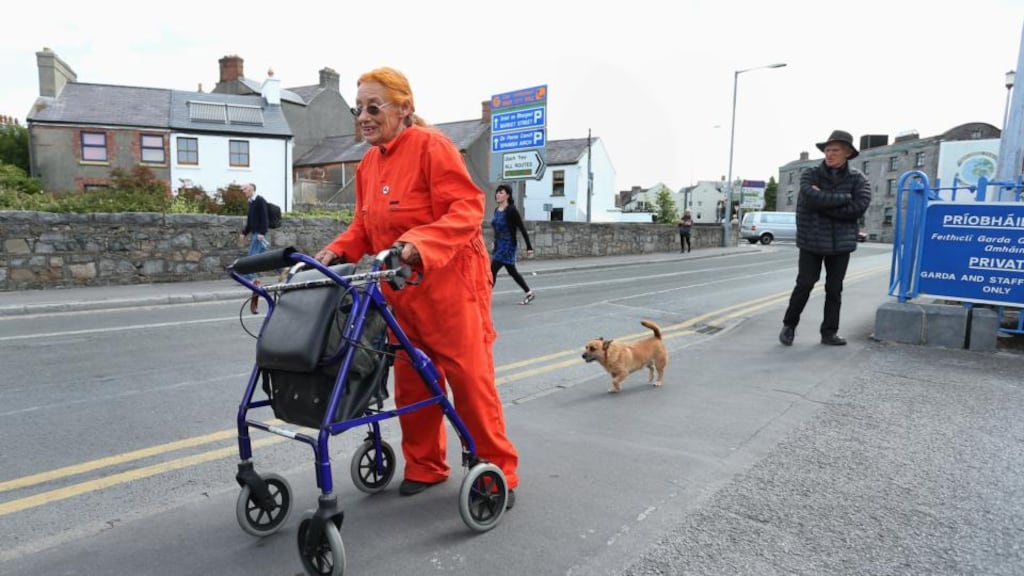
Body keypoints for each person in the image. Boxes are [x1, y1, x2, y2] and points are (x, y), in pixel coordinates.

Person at [313, 67, 519, 508]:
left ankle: (498, 471)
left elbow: (466, 210)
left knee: (470, 381)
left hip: (450, 284)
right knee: (413, 381)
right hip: (400, 287)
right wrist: (332, 253)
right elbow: (364, 228)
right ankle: (426, 466)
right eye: (359, 109)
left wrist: (415, 244)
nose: (364, 117)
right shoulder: (369, 162)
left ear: (404, 108)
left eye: (374, 107)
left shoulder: (432, 147)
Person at [779, 130, 872, 347]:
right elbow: (810, 198)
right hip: (811, 241)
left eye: (835, 150)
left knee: (834, 288)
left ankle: (829, 333)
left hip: (841, 244)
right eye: (827, 150)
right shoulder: (810, 174)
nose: (829, 154)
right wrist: (843, 199)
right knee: (805, 284)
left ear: (847, 153)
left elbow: (857, 209)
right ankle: (789, 325)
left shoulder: (859, 179)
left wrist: (824, 204)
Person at [491, 184, 536, 304]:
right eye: (497, 192)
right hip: (499, 243)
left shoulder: (511, 210)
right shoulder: (496, 210)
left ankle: (484, 296)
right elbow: (496, 228)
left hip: (508, 244)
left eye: (501, 192)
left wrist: (529, 247)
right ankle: (529, 293)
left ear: (507, 195)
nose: (498, 194)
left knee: (492, 269)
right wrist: (495, 242)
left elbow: (522, 228)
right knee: (512, 271)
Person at [239, 182, 268, 314]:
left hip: (259, 234)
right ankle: (284, 270)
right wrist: (244, 232)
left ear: (252, 189)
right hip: (256, 233)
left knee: (252, 258)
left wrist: (262, 232)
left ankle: (252, 280)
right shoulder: (251, 202)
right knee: (264, 256)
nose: (243, 190)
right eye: (243, 189)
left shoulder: (260, 200)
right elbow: (251, 221)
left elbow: (264, 218)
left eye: (245, 189)